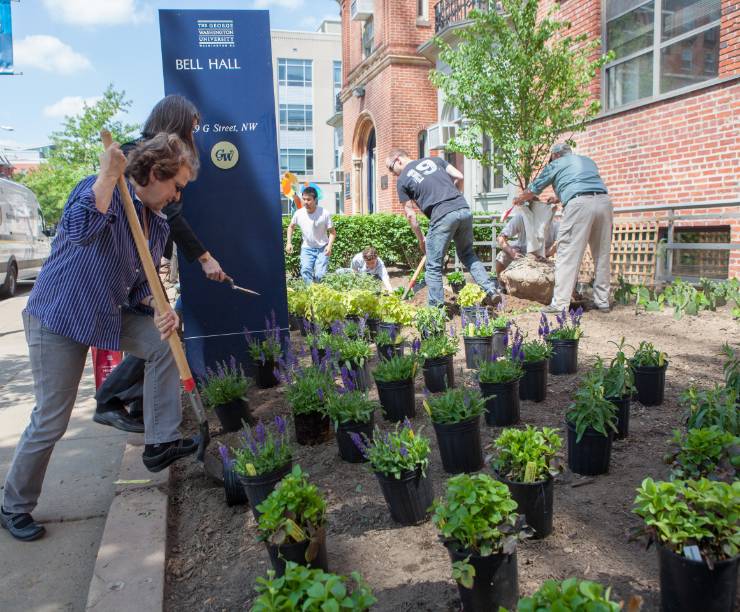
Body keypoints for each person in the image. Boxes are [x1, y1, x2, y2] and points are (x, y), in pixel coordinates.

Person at [1, 134, 198, 542]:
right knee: (52, 419)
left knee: (164, 343)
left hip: (106, 313)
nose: (178, 196)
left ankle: (160, 443)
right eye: (176, 185)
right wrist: (108, 178)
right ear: (156, 173)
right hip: (59, 315)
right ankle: (13, 504)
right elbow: (79, 232)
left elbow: (138, 285)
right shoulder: (97, 188)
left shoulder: (156, 224)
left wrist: (158, 310)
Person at [94, 95, 225, 434]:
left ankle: (139, 408)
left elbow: (170, 214)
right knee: (158, 333)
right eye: (192, 128)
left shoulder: (169, 158)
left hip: (148, 256)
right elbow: (171, 215)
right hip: (128, 260)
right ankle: (111, 398)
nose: (194, 137)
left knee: (160, 334)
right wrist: (204, 257)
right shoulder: (142, 154)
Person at [387, 149, 499, 307]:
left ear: (398, 160)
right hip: (463, 208)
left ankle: (435, 312)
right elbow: (459, 176)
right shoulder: (434, 160)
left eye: (391, 169)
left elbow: (411, 215)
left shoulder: (403, 179)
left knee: (433, 266)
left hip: (442, 215)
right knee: (468, 254)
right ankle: (491, 290)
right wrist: (454, 194)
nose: (393, 174)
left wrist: (421, 239)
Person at [513, 143, 612, 313]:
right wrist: (558, 197)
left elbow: (535, 188)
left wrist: (520, 199)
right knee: (601, 254)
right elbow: (581, 183)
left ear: (556, 155)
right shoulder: (587, 161)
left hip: (579, 206)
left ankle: (560, 304)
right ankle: (602, 301)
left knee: (567, 254)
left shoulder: (556, 164)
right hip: (604, 203)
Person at [285, 186, 336, 284]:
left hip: (322, 248)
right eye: (304, 199)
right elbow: (291, 227)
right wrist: (289, 243)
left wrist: (329, 246)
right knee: (305, 271)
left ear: (315, 200)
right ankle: (310, 293)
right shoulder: (298, 213)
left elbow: (332, 232)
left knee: (320, 275)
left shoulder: (324, 213)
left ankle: (319, 293)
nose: (305, 202)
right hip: (307, 248)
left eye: (308, 200)